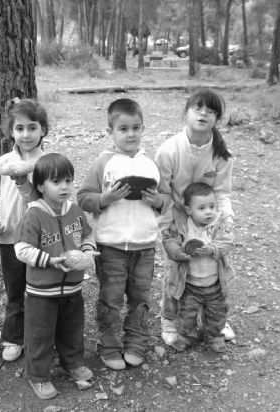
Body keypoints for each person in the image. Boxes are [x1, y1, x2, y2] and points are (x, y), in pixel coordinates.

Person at [77, 98, 169, 370]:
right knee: (111, 299)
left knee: (141, 298)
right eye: (124, 129)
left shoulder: (150, 165)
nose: (131, 134)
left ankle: (136, 341)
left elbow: (167, 198)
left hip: (145, 246)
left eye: (136, 128)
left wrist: (158, 202)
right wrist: (104, 198)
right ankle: (109, 344)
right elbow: (83, 198)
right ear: (110, 132)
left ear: (143, 129)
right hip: (111, 245)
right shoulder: (103, 163)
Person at [155, 88, 235, 349]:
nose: (204, 114)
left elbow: (222, 192)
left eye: (211, 111)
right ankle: (169, 319)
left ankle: (216, 320)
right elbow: (163, 193)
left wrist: (226, 221)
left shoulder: (222, 154)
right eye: (197, 108)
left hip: (210, 217)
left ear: (217, 119)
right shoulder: (168, 151)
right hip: (179, 217)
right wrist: (166, 229)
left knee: (215, 267)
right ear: (185, 114)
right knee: (175, 271)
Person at [15, 153, 98, 400]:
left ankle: (72, 363)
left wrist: (87, 250)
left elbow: (87, 235)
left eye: (68, 180)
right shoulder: (34, 214)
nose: (64, 187)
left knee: (72, 330)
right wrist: (49, 260)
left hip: (73, 288)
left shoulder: (75, 210)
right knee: (40, 335)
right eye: (56, 181)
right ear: (40, 185)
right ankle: (38, 376)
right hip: (42, 292)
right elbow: (21, 249)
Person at [0, 98, 47, 362]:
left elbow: (56, 200)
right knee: (14, 290)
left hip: (41, 240)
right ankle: (13, 337)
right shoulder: (2, 162)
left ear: (43, 129)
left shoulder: (49, 162)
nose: (26, 134)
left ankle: (40, 336)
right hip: (9, 238)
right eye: (19, 128)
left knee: (39, 291)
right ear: (11, 131)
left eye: (32, 127)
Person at [161, 182, 235, 352]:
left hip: (214, 283)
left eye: (212, 206)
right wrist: (178, 253)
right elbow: (169, 240)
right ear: (188, 210)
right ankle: (186, 336)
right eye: (201, 208)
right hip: (189, 285)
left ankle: (214, 336)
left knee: (216, 313)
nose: (208, 211)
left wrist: (212, 249)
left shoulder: (219, 225)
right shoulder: (183, 227)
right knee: (186, 313)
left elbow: (228, 242)